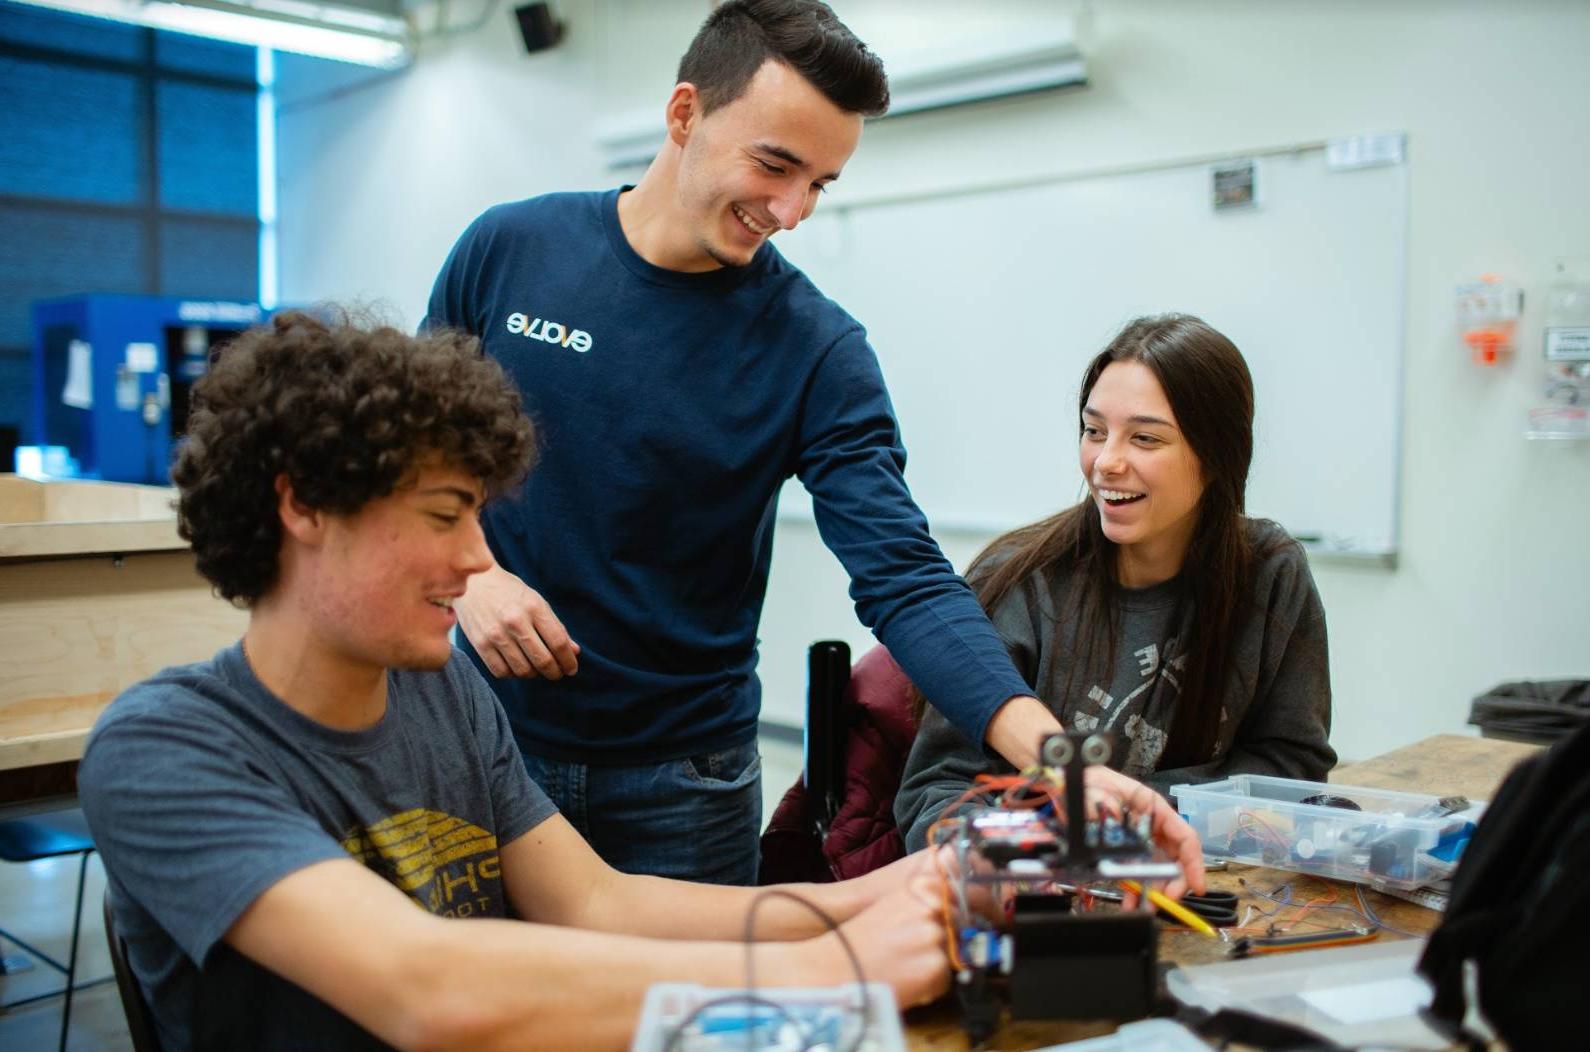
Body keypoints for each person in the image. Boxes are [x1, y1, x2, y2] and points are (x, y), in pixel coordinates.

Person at [424, 0, 1202, 889]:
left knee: (686, 1022)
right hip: (479, 741)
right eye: (775, 164)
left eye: (821, 183)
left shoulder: (815, 348)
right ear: (685, 115)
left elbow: (904, 576)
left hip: (683, 786)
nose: (792, 211)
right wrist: (474, 574)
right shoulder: (509, 250)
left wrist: (1058, 761)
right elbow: (414, 455)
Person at [77, 312, 950, 1052]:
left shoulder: (442, 692)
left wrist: (888, 894)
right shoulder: (162, 749)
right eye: (442, 515)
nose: (477, 558)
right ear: (303, 505)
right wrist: (833, 970)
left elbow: (598, 903)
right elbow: (422, 986)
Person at [895, 314, 1337, 852]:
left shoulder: (1270, 573)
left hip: (1199, 885)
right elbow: (935, 797)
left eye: (1145, 439)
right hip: (1037, 894)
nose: (1106, 462)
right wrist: (1049, 850)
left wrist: (1134, 813)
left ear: (1217, 454)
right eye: (1094, 431)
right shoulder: (1019, 582)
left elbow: (1292, 770)